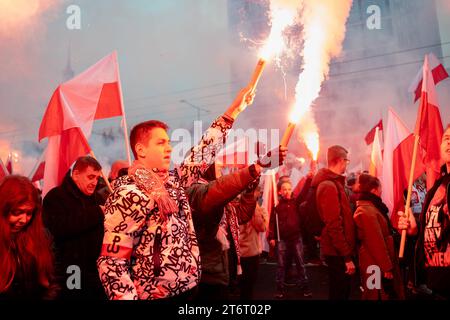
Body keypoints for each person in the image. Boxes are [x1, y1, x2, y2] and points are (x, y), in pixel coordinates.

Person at [96, 86, 261, 300]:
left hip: (189, 288)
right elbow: (112, 262)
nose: (169, 148)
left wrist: (234, 111)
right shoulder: (128, 194)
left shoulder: (173, 182)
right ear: (141, 150)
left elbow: (203, 151)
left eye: (169, 143)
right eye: (161, 143)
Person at [42, 156, 106, 300]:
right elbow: (59, 228)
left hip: (97, 269)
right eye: (90, 177)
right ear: (76, 174)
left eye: (97, 178)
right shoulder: (56, 197)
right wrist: (96, 213)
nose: (94, 182)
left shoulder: (98, 199)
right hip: (72, 269)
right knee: (75, 298)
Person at [398, 124, 450, 299]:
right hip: (434, 281)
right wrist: (415, 230)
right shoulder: (435, 188)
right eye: (446, 139)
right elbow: (433, 230)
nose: (449, 143)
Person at [0, 175, 58, 300]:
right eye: (17, 212)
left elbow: (53, 280)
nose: (24, 220)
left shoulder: (42, 236)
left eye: (29, 213)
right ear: (4, 209)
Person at [312, 145, 356, 300]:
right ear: (340, 160)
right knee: (339, 292)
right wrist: (347, 257)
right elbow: (334, 225)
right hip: (337, 252)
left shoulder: (334, 184)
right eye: (346, 161)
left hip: (337, 250)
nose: (347, 164)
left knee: (340, 290)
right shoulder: (329, 186)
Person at [354, 174, 404, 300]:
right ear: (374, 190)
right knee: (374, 294)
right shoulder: (367, 212)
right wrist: (387, 267)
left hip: (375, 262)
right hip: (373, 264)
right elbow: (376, 242)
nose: (382, 191)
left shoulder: (371, 208)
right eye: (380, 188)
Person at [268, 179, 312, 299]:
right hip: (282, 239)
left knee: (300, 264)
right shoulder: (276, 206)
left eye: (289, 189)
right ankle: (279, 289)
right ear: (280, 192)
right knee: (281, 265)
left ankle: (305, 287)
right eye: (284, 189)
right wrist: (271, 237)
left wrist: (309, 179)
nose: (287, 191)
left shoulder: (295, 202)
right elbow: (272, 222)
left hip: (296, 238)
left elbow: (303, 193)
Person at [238, 185, 268, 300]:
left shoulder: (237, 204)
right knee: (248, 286)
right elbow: (262, 227)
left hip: (238, 250)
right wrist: (261, 212)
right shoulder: (253, 207)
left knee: (243, 285)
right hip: (250, 251)